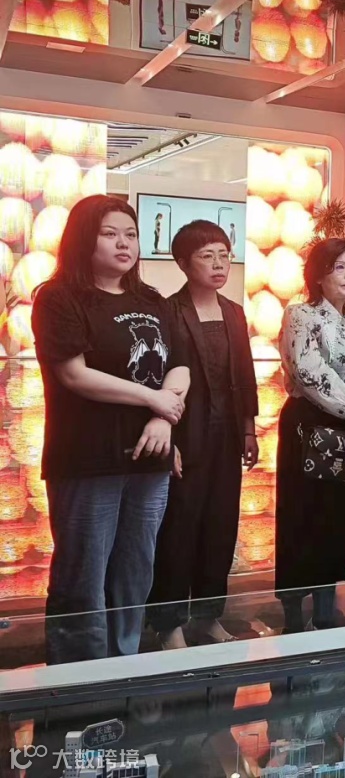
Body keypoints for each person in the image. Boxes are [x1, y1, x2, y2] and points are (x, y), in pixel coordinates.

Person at [30, 195, 191, 664]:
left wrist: (163, 415)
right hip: (88, 458)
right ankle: (79, 678)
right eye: (110, 233)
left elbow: (180, 366)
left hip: (150, 460)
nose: (124, 243)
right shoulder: (58, 297)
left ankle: (125, 666)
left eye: (131, 234)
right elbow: (74, 374)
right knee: (83, 575)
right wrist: (152, 399)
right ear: (84, 239)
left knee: (135, 571)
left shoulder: (152, 300)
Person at [146, 221, 258, 649]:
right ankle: (168, 623)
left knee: (220, 526)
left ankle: (209, 615)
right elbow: (157, 377)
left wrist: (248, 429)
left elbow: (245, 376)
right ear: (183, 263)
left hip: (226, 436)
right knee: (178, 529)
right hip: (186, 434)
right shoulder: (168, 311)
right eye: (207, 256)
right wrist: (168, 439)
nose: (218, 264)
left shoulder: (234, 312)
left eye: (224, 255)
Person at [276, 238, 345, 632]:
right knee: (301, 516)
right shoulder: (301, 315)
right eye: (340, 267)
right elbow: (310, 374)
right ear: (319, 275)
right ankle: (292, 613)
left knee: (336, 517)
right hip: (309, 423)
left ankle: (324, 608)